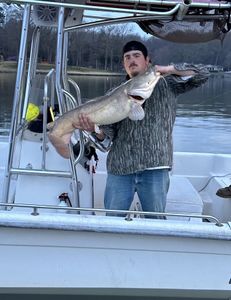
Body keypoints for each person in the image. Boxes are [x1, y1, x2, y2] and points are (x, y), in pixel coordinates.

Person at [76, 40, 209, 217]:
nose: (132, 60)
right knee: (112, 223)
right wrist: (96, 131)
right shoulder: (113, 94)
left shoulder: (168, 84)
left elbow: (203, 74)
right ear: (124, 64)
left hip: (155, 168)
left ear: (147, 60)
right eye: (127, 57)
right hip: (120, 169)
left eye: (137, 56)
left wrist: (169, 69)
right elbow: (107, 140)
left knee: (155, 223)